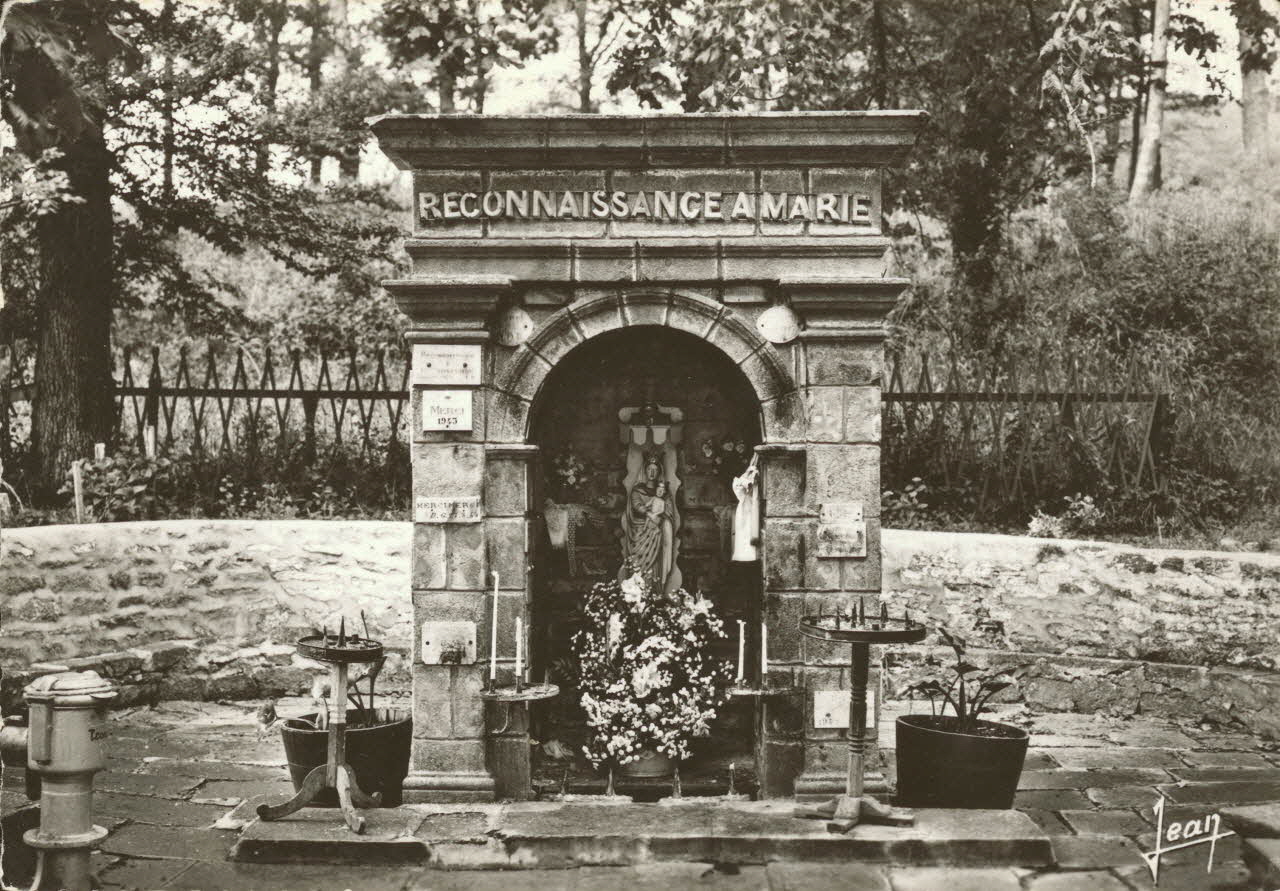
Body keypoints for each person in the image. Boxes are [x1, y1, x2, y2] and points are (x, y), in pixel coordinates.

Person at [624, 455, 675, 590]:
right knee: (638, 563)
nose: (652, 473)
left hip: (656, 532)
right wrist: (648, 514)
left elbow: (669, 510)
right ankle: (637, 594)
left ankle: (654, 591)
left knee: (655, 563)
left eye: (655, 470)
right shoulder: (638, 490)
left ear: (659, 472)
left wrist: (660, 518)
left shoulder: (664, 493)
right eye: (649, 469)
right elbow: (636, 505)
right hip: (639, 531)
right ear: (644, 471)